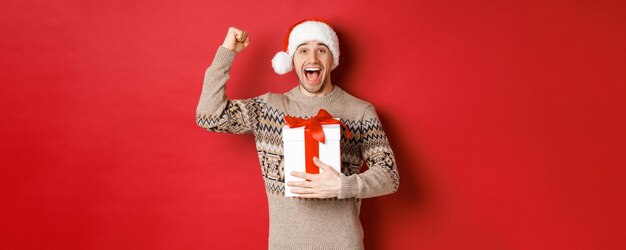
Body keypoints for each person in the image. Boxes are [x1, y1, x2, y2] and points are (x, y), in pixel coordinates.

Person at [195, 18, 399, 250]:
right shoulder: (268, 108)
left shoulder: (360, 112)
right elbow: (209, 117)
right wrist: (227, 53)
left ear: (332, 58)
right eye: (303, 51)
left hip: (343, 245)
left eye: (321, 50)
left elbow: (389, 176)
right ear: (291, 60)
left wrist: (345, 186)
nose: (312, 59)